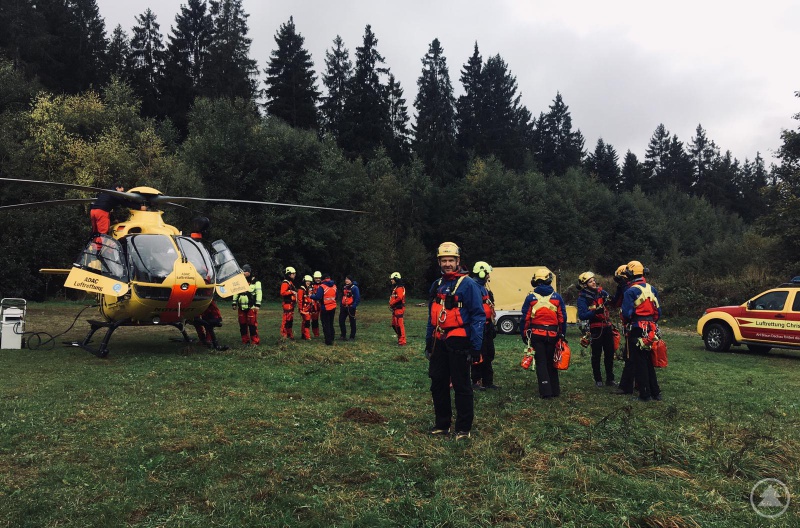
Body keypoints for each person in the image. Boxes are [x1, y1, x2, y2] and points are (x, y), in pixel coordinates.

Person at [425, 242, 485, 440]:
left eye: (451, 260)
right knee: (438, 383)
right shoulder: (437, 284)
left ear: (458, 261)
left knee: (461, 384)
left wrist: (476, 347)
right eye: (444, 260)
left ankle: (463, 428)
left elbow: (478, 316)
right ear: (439, 262)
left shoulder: (469, 285)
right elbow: (431, 316)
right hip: (438, 339)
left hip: (459, 340)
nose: (447, 264)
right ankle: (442, 424)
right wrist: (428, 341)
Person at [520, 269, 568, 399]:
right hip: (552, 334)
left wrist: (524, 333)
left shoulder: (530, 297)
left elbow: (525, 318)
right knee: (551, 361)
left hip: (536, 334)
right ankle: (555, 390)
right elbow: (562, 318)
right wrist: (562, 334)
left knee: (541, 362)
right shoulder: (557, 297)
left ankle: (545, 391)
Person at [621, 260, 662, 402]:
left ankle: (645, 394)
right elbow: (658, 312)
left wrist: (630, 322)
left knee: (639, 362)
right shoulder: (652, 289)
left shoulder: (630, 291)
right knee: (648, 360)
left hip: (637, 328)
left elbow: (626, 313)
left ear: (630, 274)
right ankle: (655, 392)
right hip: (650, 328)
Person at [189, 217, 227, 350]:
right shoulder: (194, 267)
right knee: (199, 320)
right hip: (193, 293)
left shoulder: (202, 267)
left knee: (207, 319)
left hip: (201, 294)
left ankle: (207, 339)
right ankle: (204, 339)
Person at [577, 272, 615, 387]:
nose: (593, 282)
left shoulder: (602, 293)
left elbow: (612, 302)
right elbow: (583, 315)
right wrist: (594, 312)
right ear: (584, 285)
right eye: (590, 281)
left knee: (609, 353)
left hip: (607, 326)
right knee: (596, 355)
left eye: (593, 280)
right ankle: (598, 379)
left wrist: (611, 300)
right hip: (595, 328)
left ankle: (610, 379)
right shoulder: (582, 298)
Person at [471, 261, 499, 390]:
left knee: (489, 354)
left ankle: (488, 381)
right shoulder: (473, 287)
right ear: (482, 273)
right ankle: (475, 381)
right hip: (477, 326)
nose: (489, 276)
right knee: (478, 354)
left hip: (487, 326)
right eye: (487, 273)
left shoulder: (483, 287)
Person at [611, 265, 635, 395]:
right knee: (633, 356)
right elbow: (616, 302)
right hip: (635, 325)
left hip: (633, 325)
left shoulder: (631, 288)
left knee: (630, 355)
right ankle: (635, 384)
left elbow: (627, 300)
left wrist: (623, 286)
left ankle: (627, 386)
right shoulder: (627, 287)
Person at [232, 264, 262, 345]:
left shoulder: (256, 282)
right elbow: (236, 292)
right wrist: (234, 302)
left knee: (252, 325)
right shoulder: (240, 281)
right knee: (242, 325)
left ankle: (255, 342)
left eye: (245, 271)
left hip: (251, 307)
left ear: (249, 272)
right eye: (243, 271)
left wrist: (257, 305)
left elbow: (259, 293)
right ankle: (245, 341)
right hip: (241, 307)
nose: (244, 273)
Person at [310, 272, 337, 345]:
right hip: (333, 307)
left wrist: (311, 296)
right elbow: (336, 296)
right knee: (331, 323)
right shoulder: (334, 285)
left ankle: (328, 341)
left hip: (325, 307)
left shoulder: (322, 286)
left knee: (326, 324)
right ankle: (332, 337)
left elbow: (318, 297)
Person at [339, 275, 360, 340]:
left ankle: (352, 336)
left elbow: (357, 298)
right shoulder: (345, 287)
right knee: (341, 320)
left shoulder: (355, 288)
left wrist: (354, 306)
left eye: (348, 279)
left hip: (351, 307)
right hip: (344, 307)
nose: (346, 280)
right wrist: (341, 304)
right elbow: (342, 296)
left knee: (352, 322)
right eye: (346, 279)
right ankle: (343, 335)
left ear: (351, 280)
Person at [389, 272, 407, 346]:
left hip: (399, 308)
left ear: (396, 279)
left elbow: (399, 297)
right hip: (395, 308)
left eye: (392, 279)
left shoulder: (399, 288)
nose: (391, 280)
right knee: (394, 324)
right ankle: (400, 338)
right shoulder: (396, 287)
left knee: (399, 325)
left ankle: (402, 341)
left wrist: (392, 303)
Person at [280, 266, 297, 339]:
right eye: (293, 274)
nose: (294, 275)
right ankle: (284, 335)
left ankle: (289, 334)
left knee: (290, 320)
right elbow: (283, 292)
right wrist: (291, 291)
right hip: (287, 303)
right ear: (289, 274)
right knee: (286, 319)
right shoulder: (285, 283)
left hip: (291, 304)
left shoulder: (290, 283)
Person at [297, 275, 314, 340]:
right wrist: (300, 309)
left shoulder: (310, 288)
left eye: (309, 281)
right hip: (304, 308)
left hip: (309, 308)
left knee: (305, 322)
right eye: (307, 281)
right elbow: (300, 300)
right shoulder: (301, 289)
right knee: (307, 322)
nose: (308, 282)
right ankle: (307, 336)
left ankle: (303, 335)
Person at [309, 271, 323, 338]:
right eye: (316, 278)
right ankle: (316, 334)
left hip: (322, 304)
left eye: (319, 278)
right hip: (314, 305)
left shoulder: (323, 285)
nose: (318, 279)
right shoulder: (311, 286)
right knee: (314, 320)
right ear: (314, 278)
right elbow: (309, 295)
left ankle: (326, 332)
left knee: (324, 319)